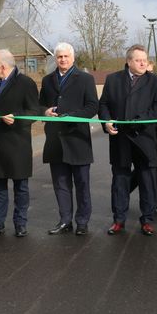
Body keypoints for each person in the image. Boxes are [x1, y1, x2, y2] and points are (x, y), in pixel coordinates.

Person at [99, 44, 157, 236]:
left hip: (144, 138)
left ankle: (147, 220)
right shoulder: (113, 80)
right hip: (120, 139)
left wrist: (140, 121)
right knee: (120, 180)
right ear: (129, 61)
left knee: (147, 180)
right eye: (138, 60)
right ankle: (118, 220)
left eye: (145, 60)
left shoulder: (155, 81)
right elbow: (103, 104)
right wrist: (106, 122)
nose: (143, 63)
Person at [39, 42, 98, 236]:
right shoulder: (47, 80)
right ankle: (65, 221)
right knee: (61, 183)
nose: (62, 60)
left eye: (66, 56)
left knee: (82, 183)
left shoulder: (85, 79)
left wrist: (73, 116)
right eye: (59, 57)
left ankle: (82, 221)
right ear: (55, 59)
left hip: (77, 139)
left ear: (73, 58)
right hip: (55, 140)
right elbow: (39, 106)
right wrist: (45, 111)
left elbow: (92, 107)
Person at [0, 49, 39, 237]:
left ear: (3, 67)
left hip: (17, 144)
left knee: (20, 186)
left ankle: (20, 223)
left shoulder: (26, 83)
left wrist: (17, 118)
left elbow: (34, 111)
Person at [128, 59, 157, 214]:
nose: (149, 75)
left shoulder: (155, 86)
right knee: (143, 171)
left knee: (153, 171)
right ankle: (125, 192)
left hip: (152, 136)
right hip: (141, 134)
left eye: (151, 72)